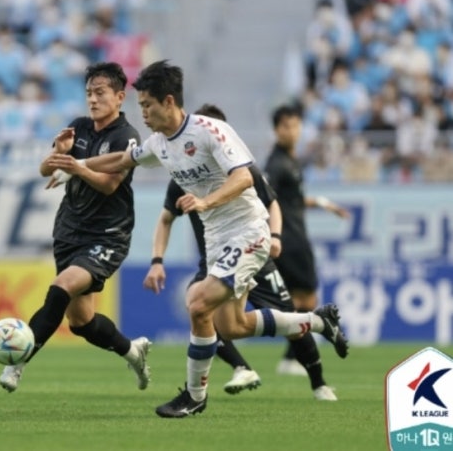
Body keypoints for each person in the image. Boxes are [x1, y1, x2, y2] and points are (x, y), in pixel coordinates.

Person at [47, 60, 348, 418]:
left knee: (197, 302)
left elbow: (243, 178)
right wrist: (78, 167)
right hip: (218, 238)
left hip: (248, 229)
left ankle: (194, 395)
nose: (141, 113)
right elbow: (120, 160)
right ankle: (317, 321)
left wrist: (206, 201)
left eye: (147, 105)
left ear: (169, 101)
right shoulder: (159, 144)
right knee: (231, 327)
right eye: (140, 105)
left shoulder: (211, 130)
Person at [143, 103, 339, 401]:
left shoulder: (241, 169)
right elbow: (165, 219)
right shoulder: (181, 174)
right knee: (205, 311)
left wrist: (274, 236)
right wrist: (157, 260)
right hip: (215, 260)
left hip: (254, 252)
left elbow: (272, 202)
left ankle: (319, 383)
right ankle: (239, 368)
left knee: (284, 316)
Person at [0, 61, 151, 393]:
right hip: (69, 231)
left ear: (120, 96)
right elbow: (45, 170)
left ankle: (19, 360)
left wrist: (77, 167)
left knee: (60, 287)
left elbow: (110, 184)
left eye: (100, 93)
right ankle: (132, 351)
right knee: (81, 322)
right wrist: (60, 153)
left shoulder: (127, 137)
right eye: (88, 94)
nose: (92, 100)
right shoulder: (78, 127)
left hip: (108, 234)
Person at [264, 105, 350, 377]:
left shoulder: (292, 161)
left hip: (296, 235)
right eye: (287, 126)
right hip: (288, 239)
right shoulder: (275, 164)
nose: (293, 131)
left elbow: (293, 200)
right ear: (277, 130)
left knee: (300, 301)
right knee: (305, 298)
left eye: (296, 125)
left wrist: (324, 204)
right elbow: (266, 199)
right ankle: (294, 357)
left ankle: (293, 356)